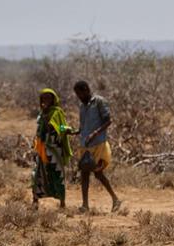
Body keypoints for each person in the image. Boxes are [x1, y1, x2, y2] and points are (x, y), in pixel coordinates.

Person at [70, 80, 122, 212]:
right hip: (85, 144)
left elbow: (108, 121)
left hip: (98, 143)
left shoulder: (99, 101)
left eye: (80, 94)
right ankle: (85, 205)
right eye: (77, 95)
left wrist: (95, 133)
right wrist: (73, 132)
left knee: (98, 173)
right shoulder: (82, 107)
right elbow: (82, 127)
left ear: (86, 90)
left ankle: (115, 199)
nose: (79, 97)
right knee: (85, 173)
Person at [31, 88, 73, 209]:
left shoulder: (57, 112)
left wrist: (68, 129)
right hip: (42, 149)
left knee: (57, 174)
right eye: (43, 98)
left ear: (53, 99)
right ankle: (35, 201)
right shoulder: (41, 114)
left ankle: (62, 203)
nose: (46, 100)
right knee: (38, 174)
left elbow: (58, 127)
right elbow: (39, 130)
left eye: (48, 98)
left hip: (54, 149)